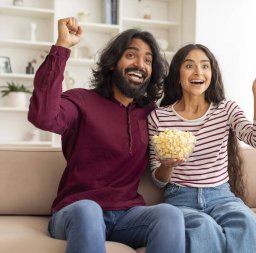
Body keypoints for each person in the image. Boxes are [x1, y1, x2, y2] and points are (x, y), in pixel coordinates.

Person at [28, 17, 185, 253]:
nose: (140, 64)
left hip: (127, 216)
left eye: (148, 60)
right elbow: (43, 116)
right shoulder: (82, 100)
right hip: (77, 211)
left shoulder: (150, 114)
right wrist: (62, 47)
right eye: (131, 55)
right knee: (89, 210)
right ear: (113, 63)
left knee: (169, 215)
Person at [147, 44, 256, 253]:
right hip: (180, 198)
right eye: (189, 66)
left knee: (246, 223)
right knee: (203, 228)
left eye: (205, 66)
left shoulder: (225, 109)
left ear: (212, 74)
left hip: (221, 196)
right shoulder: (159, 117)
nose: (198, 72)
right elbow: (158, 180)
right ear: (178, 74)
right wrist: (167, 165)